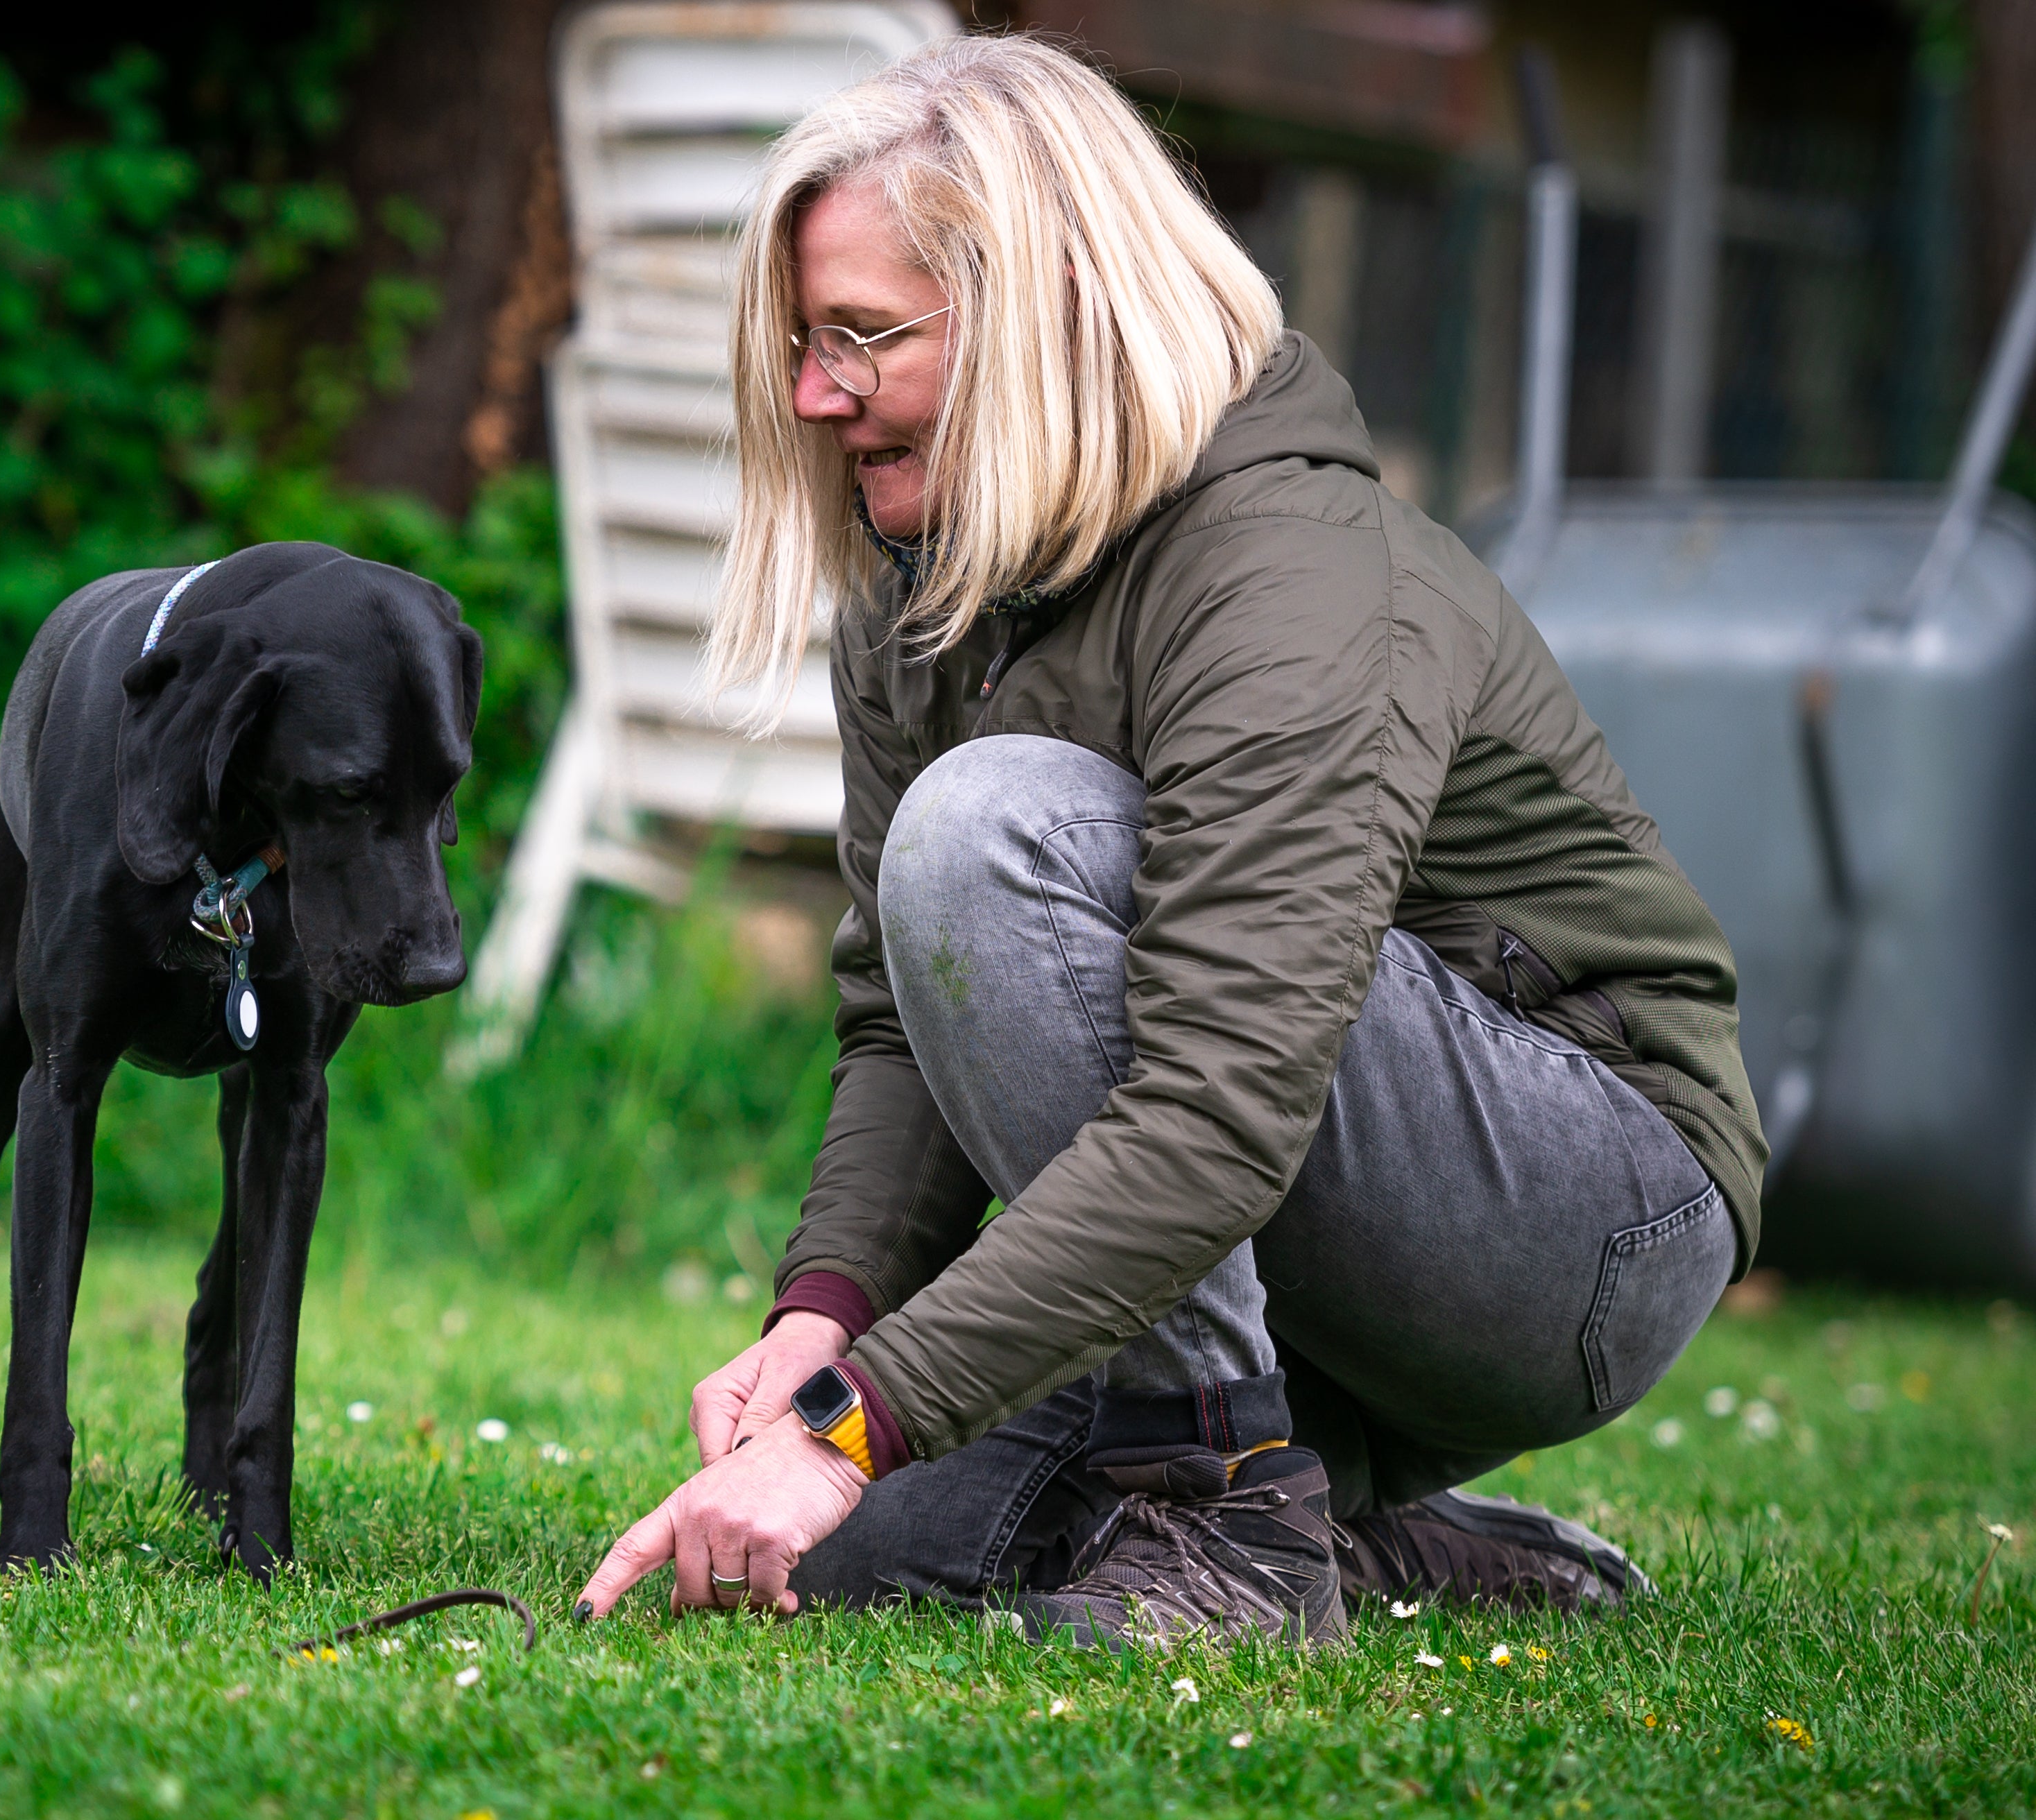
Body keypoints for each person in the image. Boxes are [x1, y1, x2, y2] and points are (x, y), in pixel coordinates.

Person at [572, 33, 1763, 1652]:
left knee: (988, 827)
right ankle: (1341, 1510)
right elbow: (898, 1027)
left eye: (860, 336)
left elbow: (1219, 1102)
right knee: (858, 1556)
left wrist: (858, 1419)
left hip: (1588, 1218)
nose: (808, 394)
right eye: (800, 340)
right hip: (1298, 1197)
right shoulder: (924, 574)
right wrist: (826, 1320)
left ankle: (1230, 1523)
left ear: (1042, 309)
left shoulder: (1292, 570)